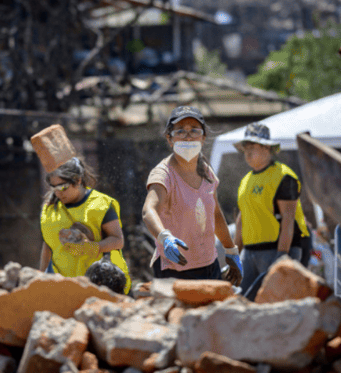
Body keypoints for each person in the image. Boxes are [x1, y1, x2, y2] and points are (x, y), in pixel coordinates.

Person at [142, 106, 243, 284]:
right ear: (170, 138)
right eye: (180, 131)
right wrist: (164, 237)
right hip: (175, 268)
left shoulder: (205, 171)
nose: (188, 137)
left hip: (209, 265)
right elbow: (149, 211)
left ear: (203, 138)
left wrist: (231, 250)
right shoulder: (164, 174)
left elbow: (215, 214)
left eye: (194, 131)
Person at [233, 123, 311, 292]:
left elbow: (288, 218)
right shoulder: (246, 181)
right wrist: (234, 255)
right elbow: (241, 220)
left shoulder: (283, 176)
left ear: (267, 148)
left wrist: (282, 255)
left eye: (253, 147)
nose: (247, 152)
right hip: (250, 252)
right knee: (242, 298)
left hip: (276, 249)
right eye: (246, 148)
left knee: (276, 299)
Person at [39, 157, 131, 293]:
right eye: (54, 188)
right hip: (65, 288)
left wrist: (92, 248)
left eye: (63, 187)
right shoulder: (50, 208)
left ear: (78, 180)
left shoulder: (101, 204)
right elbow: (48, 245)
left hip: (103, 285)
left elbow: (118, 240)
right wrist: (40, 278)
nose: (58, 193)